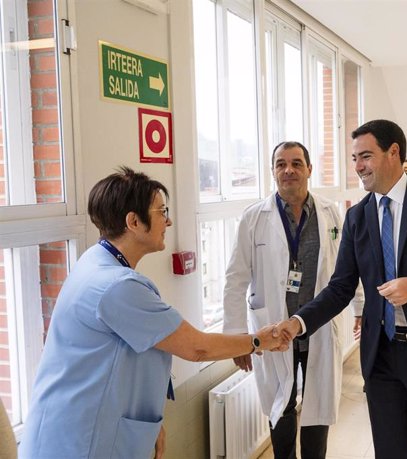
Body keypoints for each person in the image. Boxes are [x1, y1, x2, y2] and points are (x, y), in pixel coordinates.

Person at [19, 167, 286, 459]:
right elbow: (196, 347)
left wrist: (150, 424)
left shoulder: (97, 262)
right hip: (79, 441)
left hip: (76, 427)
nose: (168, 220)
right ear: (133, 221)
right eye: (162, 211)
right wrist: (260, 340)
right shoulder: (117, 287)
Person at [276, 119, 407, 458]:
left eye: (366, 156)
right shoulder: (358, 217)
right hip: (382, 356)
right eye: (354, 158)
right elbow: (341, 287)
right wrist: (298, 323)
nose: (358, 166)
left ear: (394, 153)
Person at [223, 141, 362, 459]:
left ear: (309, 170)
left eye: (297, 163)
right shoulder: (254, 218)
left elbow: (348, 268)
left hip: (318, 329)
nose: (289, 170)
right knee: (279, 407)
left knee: (318, 409)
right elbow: (235, 281)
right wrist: (236, 339)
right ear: (273, 171)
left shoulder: (330, 214)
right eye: (281, 164)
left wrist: (360, 308)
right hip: (273, 330)